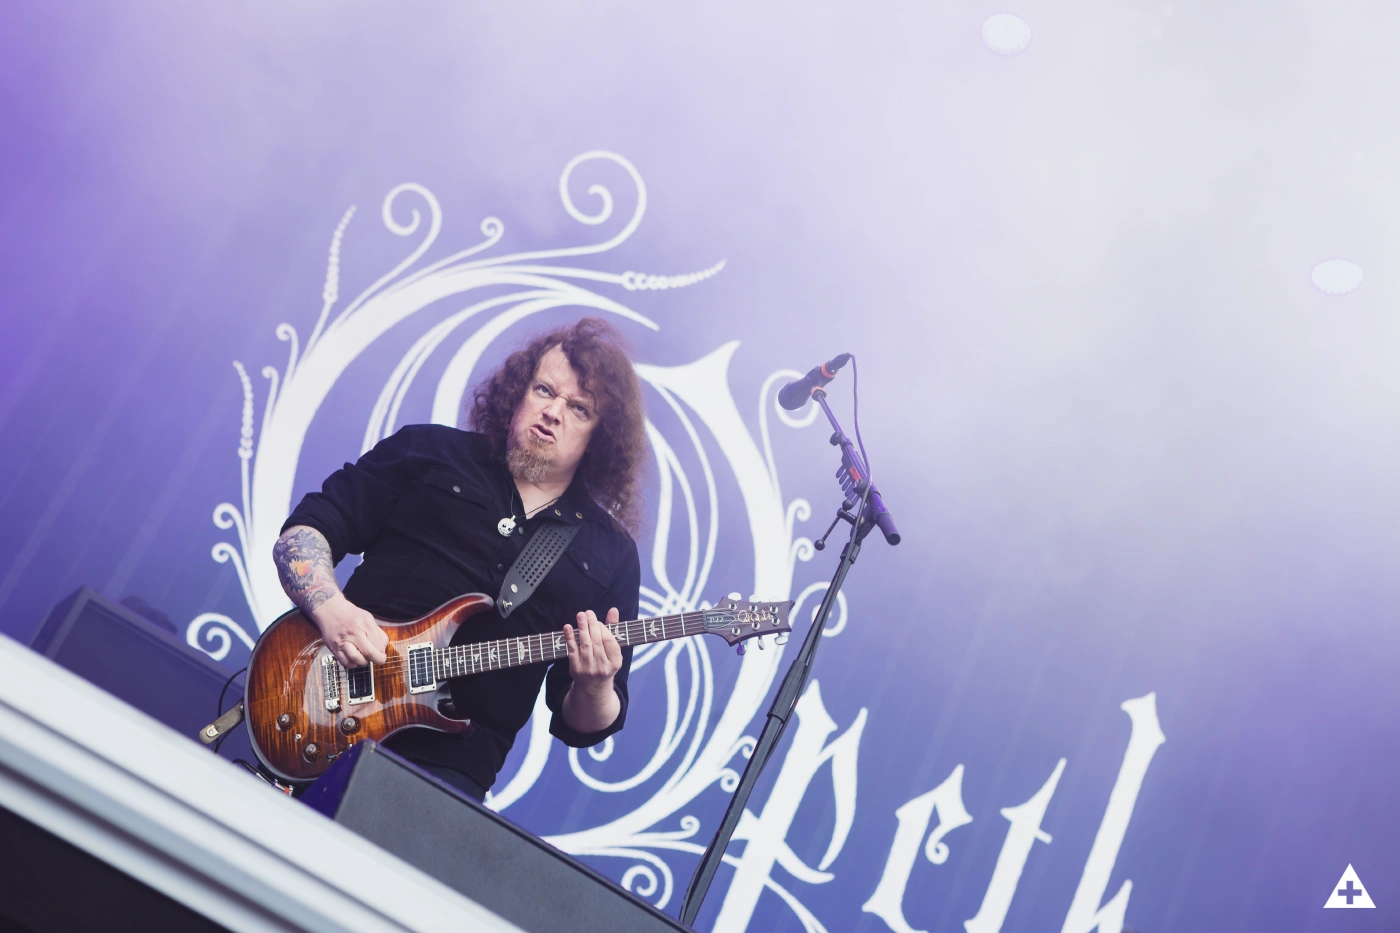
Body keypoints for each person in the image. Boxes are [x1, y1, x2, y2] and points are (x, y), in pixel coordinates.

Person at [270, 317, 647, 799]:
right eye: (544, 390)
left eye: (579, 409)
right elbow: (306, 532)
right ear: (517, 391)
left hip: (447, 772)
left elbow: (583, 725)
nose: (553, 413)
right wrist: (331, 609)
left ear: (600, 437)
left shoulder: (612, 554)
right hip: (321, 703)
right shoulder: (427, 451)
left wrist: (596, 685)